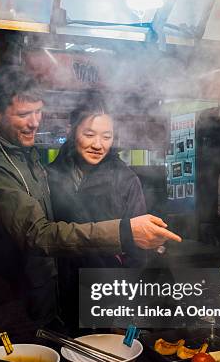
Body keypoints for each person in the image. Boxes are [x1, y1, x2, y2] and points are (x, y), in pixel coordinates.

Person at [0, 64, 181, 342]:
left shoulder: (29, 154)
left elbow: (137, 256)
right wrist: (125, 232)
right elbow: (38, 233)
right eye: (24, 114)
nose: (35, 122)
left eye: (39, 111)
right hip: (12, 300)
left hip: (60, 297)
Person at [48, 95, 146, 329]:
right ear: (72, 131)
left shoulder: (125, 179)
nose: (98, 145)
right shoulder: (50, 174)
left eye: (107, 136)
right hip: (59, 291)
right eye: (89, 135)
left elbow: (138, 249)